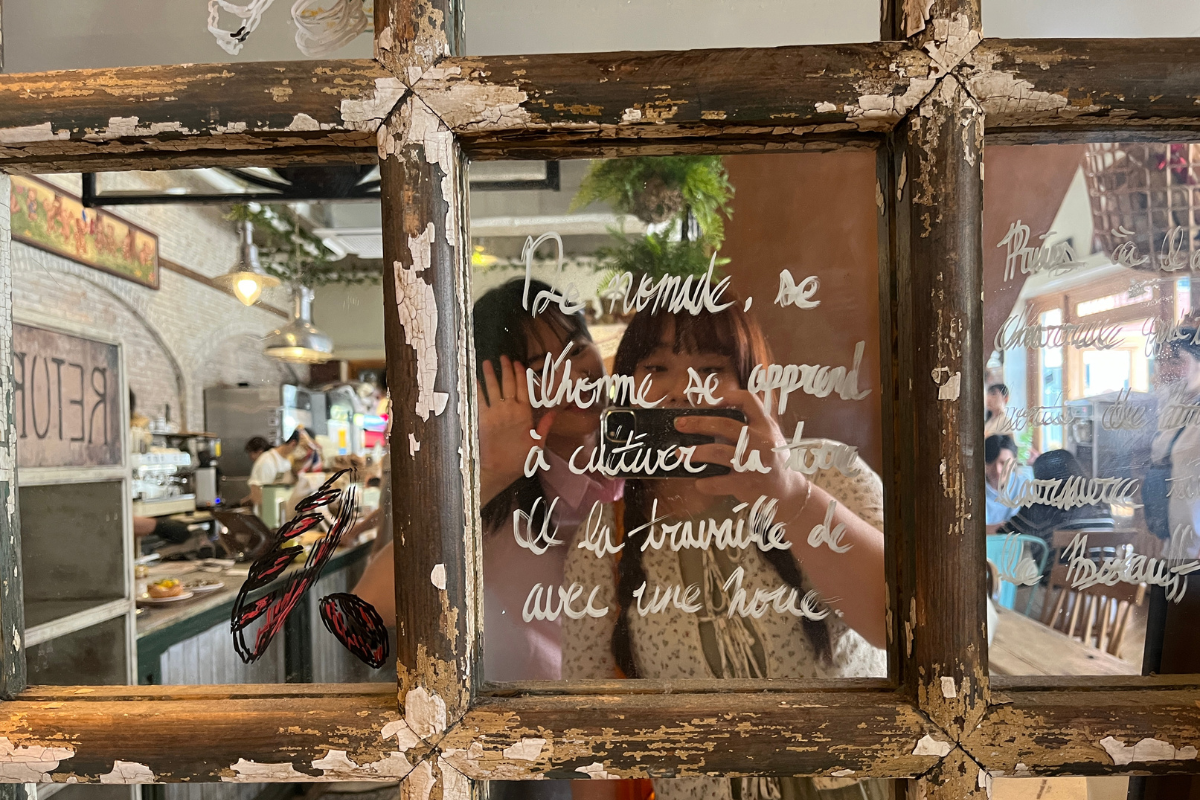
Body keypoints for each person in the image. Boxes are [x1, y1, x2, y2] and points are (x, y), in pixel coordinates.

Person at [563, 298, 887, 800]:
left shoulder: (829, 474)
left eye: (711, 369)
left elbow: (898, 624)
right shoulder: (607, 534)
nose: (681, 390)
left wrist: (788, 496)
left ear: (755, 386)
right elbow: (594, 732)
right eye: (656, 368)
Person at [354, 279, 623, 685]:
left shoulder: (640, 468)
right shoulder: (498, 504)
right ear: (496, 390)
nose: (571, 374)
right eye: (537, 367)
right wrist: (491, 475)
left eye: (577, 347)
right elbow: (368, 605)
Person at [997, 449, 1114, 555]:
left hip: (1061, 578)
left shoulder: (1039, 508)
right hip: (1104, 578)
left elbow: (1002, 536)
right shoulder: (1102, 506)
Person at [243, 428, 314, 512]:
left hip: (286, 514)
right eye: (304, 449)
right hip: (269, 516)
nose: (305, 454)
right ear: (293, 444)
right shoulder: (266, 460)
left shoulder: (289, 461)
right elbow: (255, 492)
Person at [985, 434, 1020, 534]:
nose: (998, 470)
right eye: (991, 462)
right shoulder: (972, 489)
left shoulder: (1024, 486)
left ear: (1014, 462)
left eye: (1003, 463)